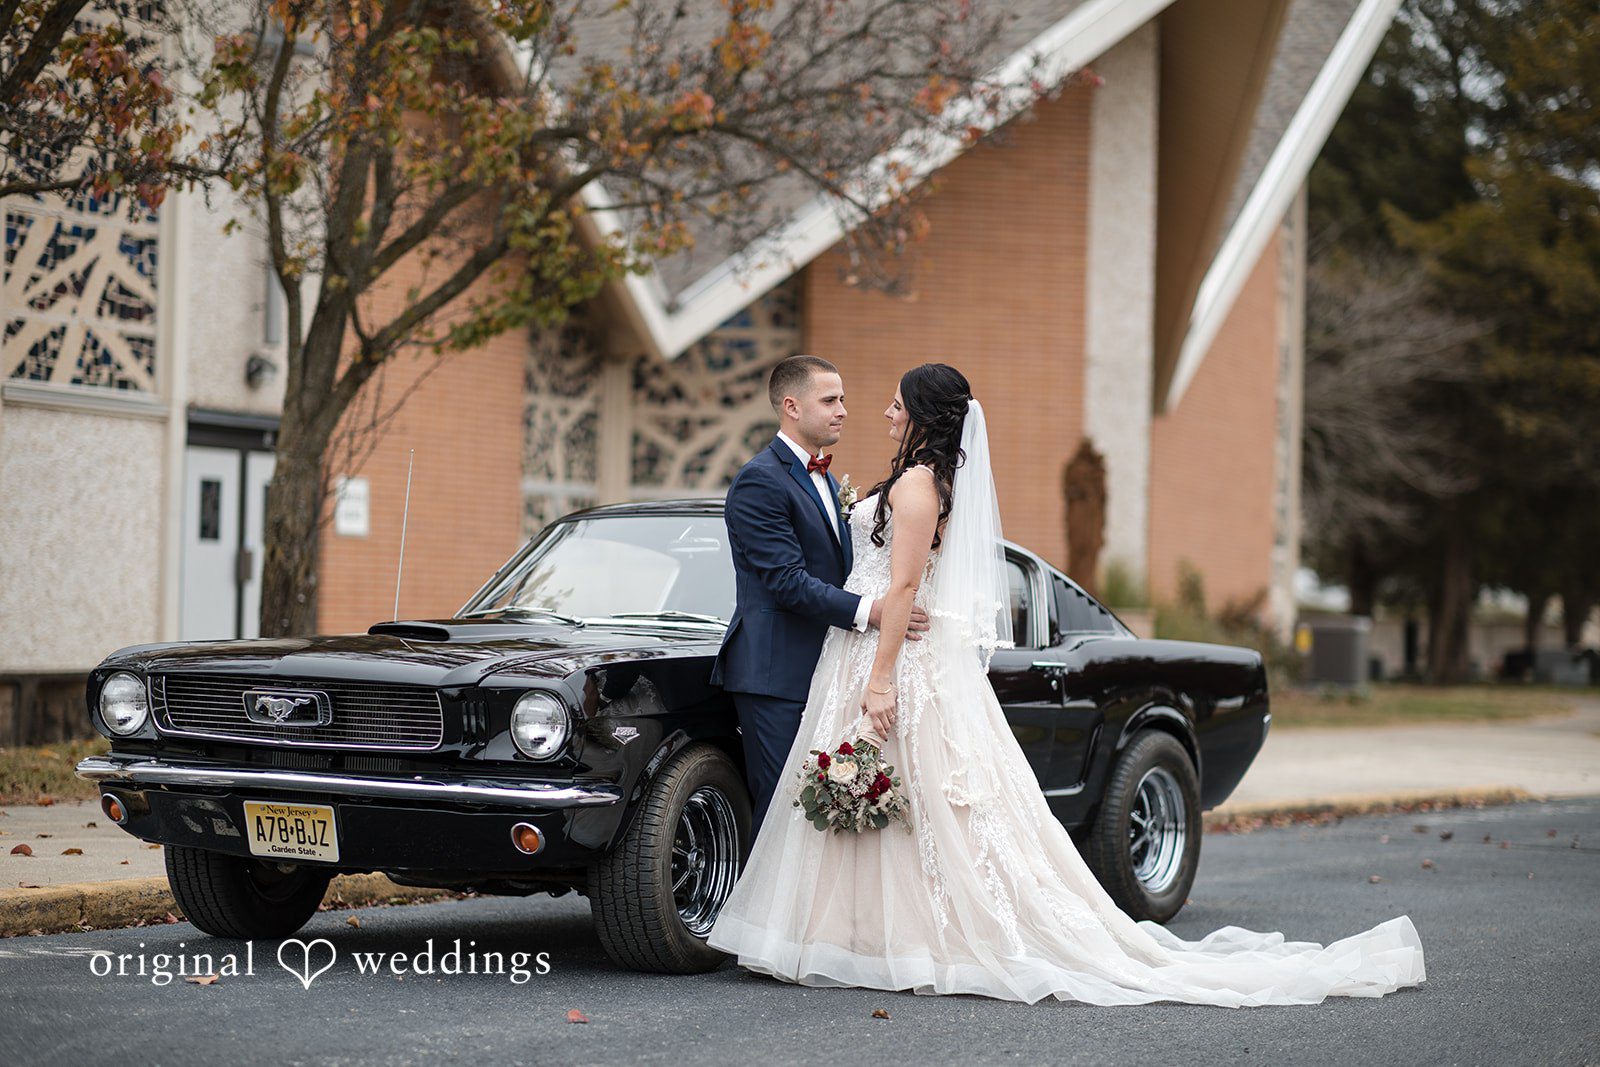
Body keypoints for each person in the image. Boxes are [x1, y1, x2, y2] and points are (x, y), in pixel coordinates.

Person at [706, 362, 1427, 1006]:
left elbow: (899, 588)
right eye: (850, 399)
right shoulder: (886, 480)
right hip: (855, 653)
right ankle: (854, 935)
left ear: (925, 417)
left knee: (920, 806)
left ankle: (897, 937)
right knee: (900, 804)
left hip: (888, 657)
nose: (879, 412)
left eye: (896, 404)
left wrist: (883, 678)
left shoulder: (921, 486)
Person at [712, 354, 927, 836]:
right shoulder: (759, 480)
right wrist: (871, 611)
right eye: (829, 400)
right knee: (782, 815)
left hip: (827, 669)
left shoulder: (829, 481)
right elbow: (785, 581)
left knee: (817, 814)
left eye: (843, 399)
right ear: (791, 406)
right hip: (775, 674)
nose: (843, 410)